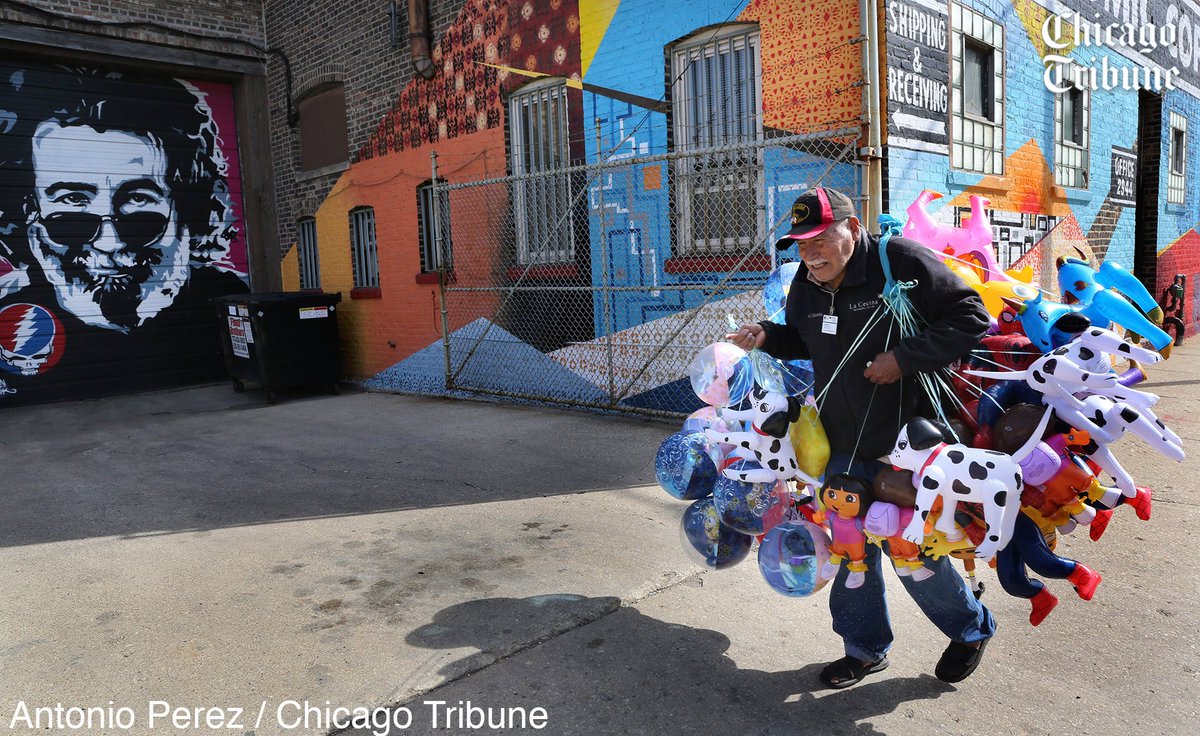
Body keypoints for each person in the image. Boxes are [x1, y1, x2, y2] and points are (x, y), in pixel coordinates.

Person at [728, 187, 994, 688]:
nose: (809, 254)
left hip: (906, 445)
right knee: (851, 550)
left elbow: (972, 316)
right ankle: (865, 648)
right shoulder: (807, 285)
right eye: (800, 245)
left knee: (910, 552)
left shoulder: (899, 262)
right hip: (838, 443)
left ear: (852, 229)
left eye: (819, 239)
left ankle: (969, 628)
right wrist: (767, 334)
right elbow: (801, 338)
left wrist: (905, 358)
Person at [0, 63, 248, 403]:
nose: (109, 243)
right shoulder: (10, 309)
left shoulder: (235, 303)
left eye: (139, 203)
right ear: (30, 217)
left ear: (190, 211)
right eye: (72, 205)